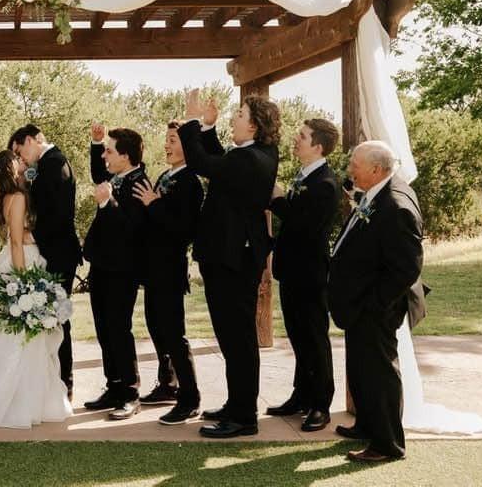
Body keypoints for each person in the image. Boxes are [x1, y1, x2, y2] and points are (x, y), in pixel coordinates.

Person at [179, 89, 280, 438]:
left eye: (239, 115)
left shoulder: (250, 159)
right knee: (232, 337)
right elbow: (222, 165)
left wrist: (192, 122)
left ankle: (243, 416)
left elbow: (203, 164)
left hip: (233, 259)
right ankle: (237, 404)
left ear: (253, 126)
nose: (233, 118)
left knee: (238, 340)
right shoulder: (256, 154)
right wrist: (209, 129)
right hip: (229, 256)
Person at [0, 150, 72, 428]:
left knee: (20, 336)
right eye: (16, 159)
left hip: (13, 259)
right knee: (22, 335)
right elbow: (17, 242)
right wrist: (23, 283)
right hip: (20, 263)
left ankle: (27, 399)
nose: (21, 160)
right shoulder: (19, 197)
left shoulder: (10, 196)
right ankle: (17, 403)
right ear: (10, 168)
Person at [329, 141, 423, 463]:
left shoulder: (396, 206)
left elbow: (407, 267)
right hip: (359, 303)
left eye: (355, 165)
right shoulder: (376, 192)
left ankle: (387, 444)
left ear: (376, 169)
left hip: (375, 307)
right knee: (361, 369)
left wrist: (375, 304)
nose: (350, 170)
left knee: (379, 373)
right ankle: (367, 424)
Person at [266, 119, 340, 432]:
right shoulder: (305, 176)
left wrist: (278, 199)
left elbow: (303, 225)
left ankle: (321, 404)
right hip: (292, 270)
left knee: (314, 337)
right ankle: (302, 395)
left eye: (302, 136)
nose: (296, 139)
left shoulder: (325, 183)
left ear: (318, 146)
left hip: (310, 273)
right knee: (297, 335)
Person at [132, 120, 204, 425]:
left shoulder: (191, 182)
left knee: (174, 334)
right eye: (166, 139)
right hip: (152, 268)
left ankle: (190, 398)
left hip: (170, 268)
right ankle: (168, 384)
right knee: (156, 328)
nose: (166, 145)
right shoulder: (164, 176)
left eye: (173, 140)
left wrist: (154, 204)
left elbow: (184, 229)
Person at [83, 125, 152, 420]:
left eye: (109, 151)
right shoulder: (116, 176)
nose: (105, 156)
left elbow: (130, 228)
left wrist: (106, 203)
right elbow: (99, 175)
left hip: (122, 269)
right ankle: (113, 386)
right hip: (102, 264)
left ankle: (130, 393)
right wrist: (96, 142)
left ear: (125, 156)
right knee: (103, 328)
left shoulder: (139, 184)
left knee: (118, 330)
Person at [9, 125, 82, 396]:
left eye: (20, 151)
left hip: (59, 254)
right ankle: (54, 378)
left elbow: (58, 215)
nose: (21, 158)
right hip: (51, 252)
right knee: (49, 316)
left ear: (30, 140)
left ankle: (65, 381)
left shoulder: (55, 163)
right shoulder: (45, 164)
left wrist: (32, 234)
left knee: (58, 316)